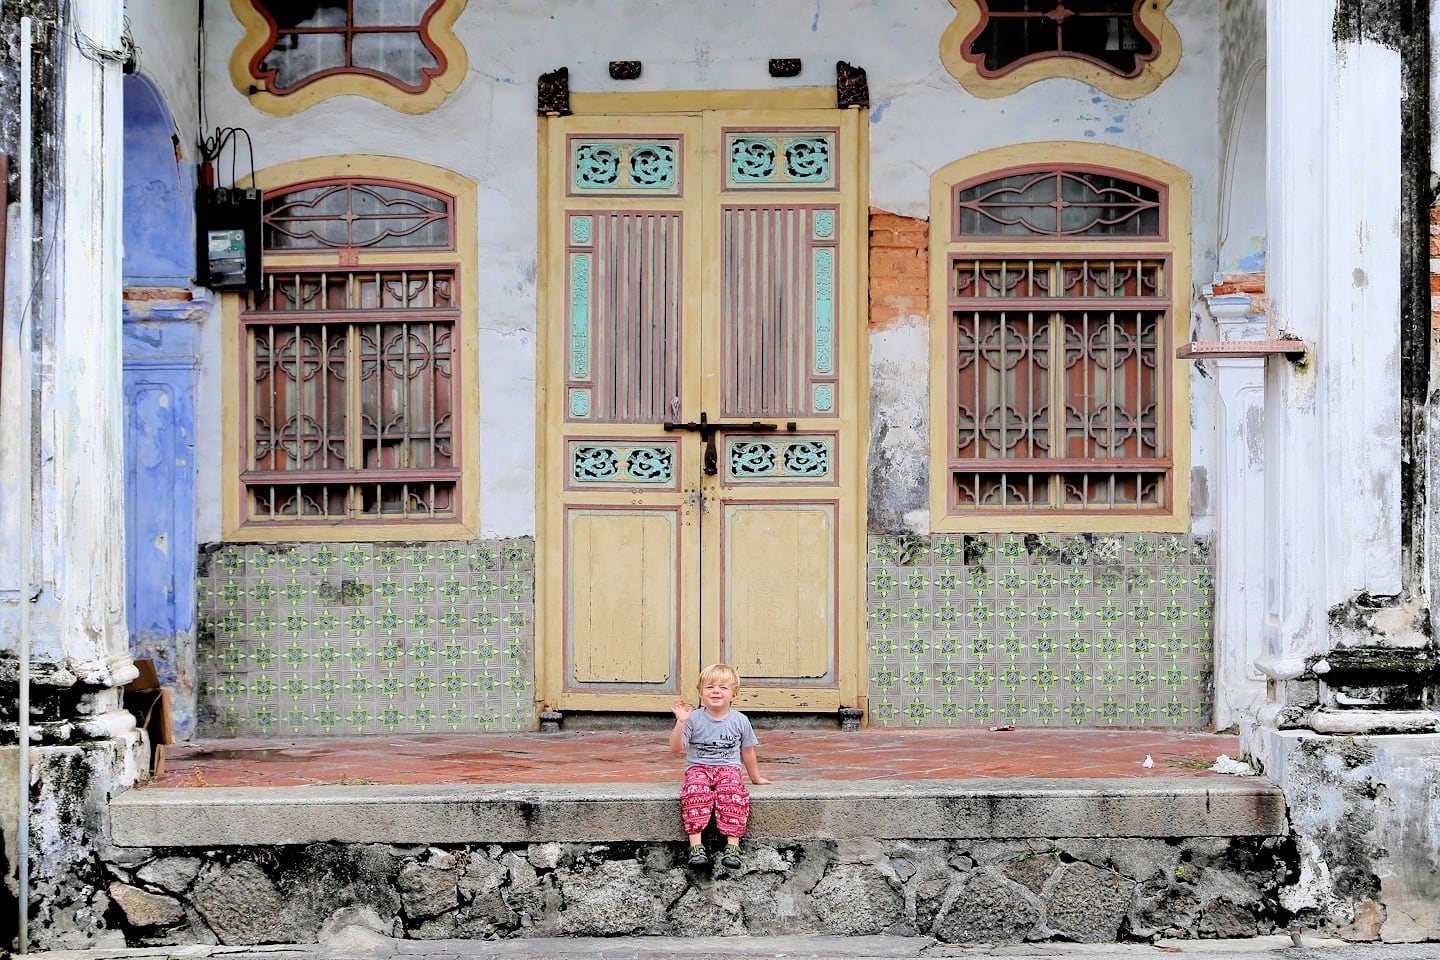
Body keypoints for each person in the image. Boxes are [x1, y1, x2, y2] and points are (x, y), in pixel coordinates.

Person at [669, 663, 772, 869]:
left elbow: (747, 752)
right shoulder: (693, 718)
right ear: (700, 693)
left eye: (723, 687)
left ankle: (732, 846)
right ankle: (696, 846)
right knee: (694, 792)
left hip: (729, 769)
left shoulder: (740, 721)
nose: (716, 691)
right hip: (698, 768)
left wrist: (755, 778)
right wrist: (681, 723)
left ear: (734, 694)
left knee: (733, 793)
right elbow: (676, 748)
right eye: (709, 687)